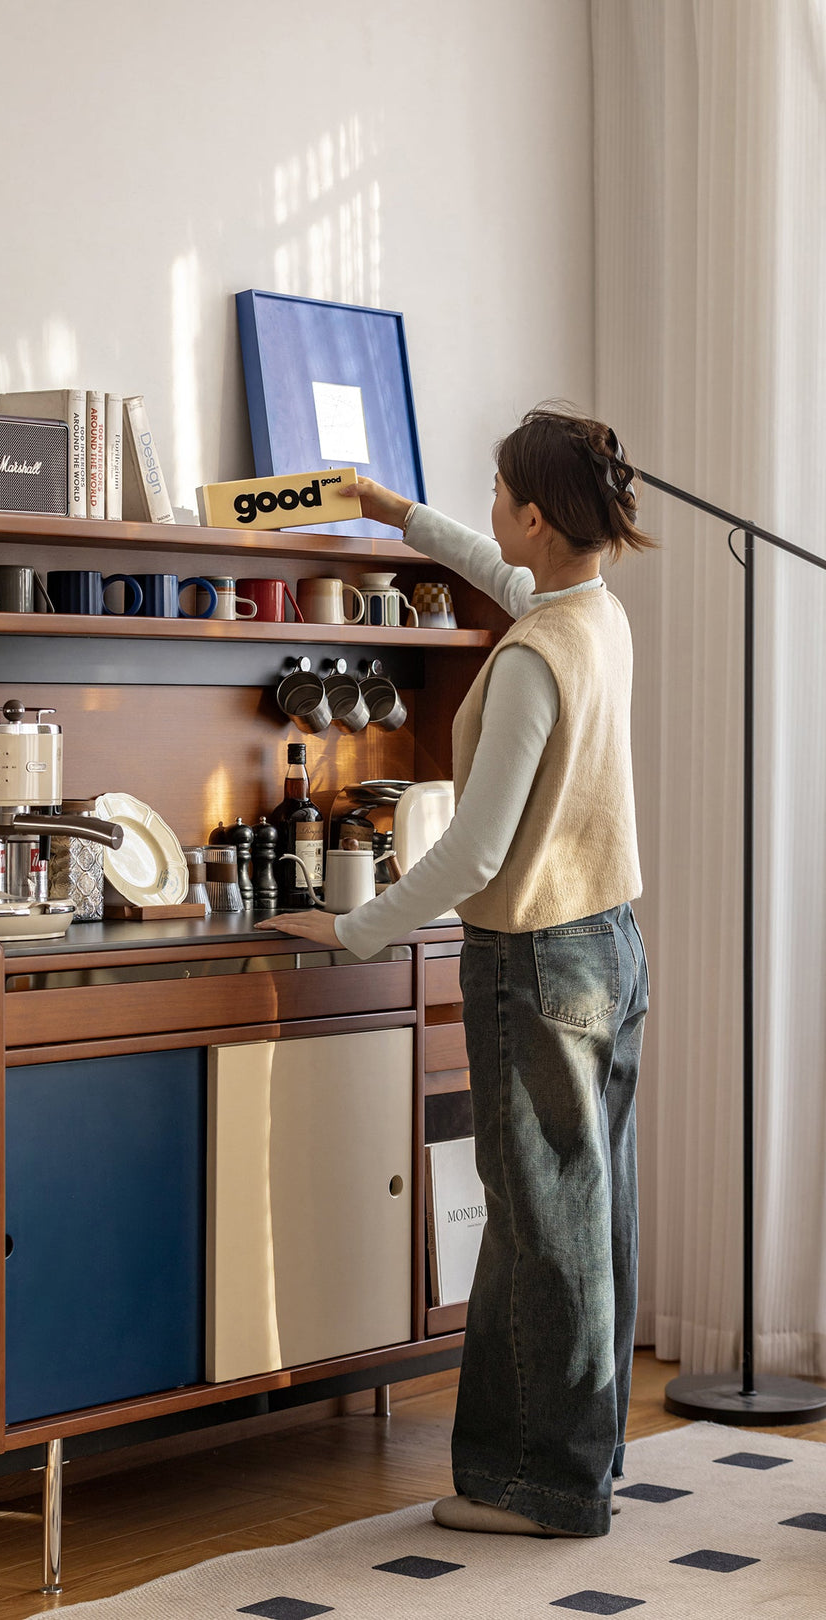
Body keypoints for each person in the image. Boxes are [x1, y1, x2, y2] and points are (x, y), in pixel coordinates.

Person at [256, 404, 654, 1539]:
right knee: (591, 1212)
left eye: (497, 494)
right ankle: (582, 1463)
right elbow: (498, 572)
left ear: (535, 516)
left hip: (535, 956)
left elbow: (476, 852)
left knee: (538, 1225)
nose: (490, 510)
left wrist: (356, 929)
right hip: (609, 942)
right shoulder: (593, 614)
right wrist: (398, 515)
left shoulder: (530, 659)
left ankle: (540, 1489)